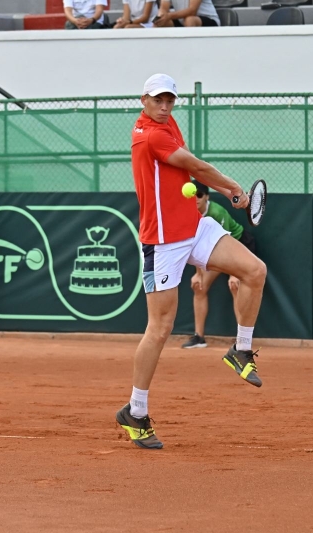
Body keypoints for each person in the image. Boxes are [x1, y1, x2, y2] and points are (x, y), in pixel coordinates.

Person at [116, 73, 267, 449]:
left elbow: (185, 172)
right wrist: (231, 187)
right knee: (161, 327)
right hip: (162, 242)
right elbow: (194, 166)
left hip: (193, 227)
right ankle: (135, 410)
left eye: (169, 100)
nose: (165, 106)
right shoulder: (150, 134)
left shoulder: (168, 123)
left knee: (254, 270)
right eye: (158, 100)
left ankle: (241, 349)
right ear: (143, 101)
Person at [181, 181, 257, 349]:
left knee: (235, 285)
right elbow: (198, 246)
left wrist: (234, 274)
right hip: (213, 251)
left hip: (239, 244)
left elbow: (228, 244)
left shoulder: (216, 212)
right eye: (193, 194)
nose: (196, 198)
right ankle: (199, 337)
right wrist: (198, 274)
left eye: (200, 195)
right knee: (199, 286)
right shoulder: (189, 213)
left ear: (207, 197)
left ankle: (242, 342)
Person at [153, 0, 221, 27]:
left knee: (190, 20)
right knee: (159, 23)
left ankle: (191, 52)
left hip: (209, 20)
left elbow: (192, 11)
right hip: (183, 20)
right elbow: (163, 8)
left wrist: (169, 16)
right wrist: (160, 17)